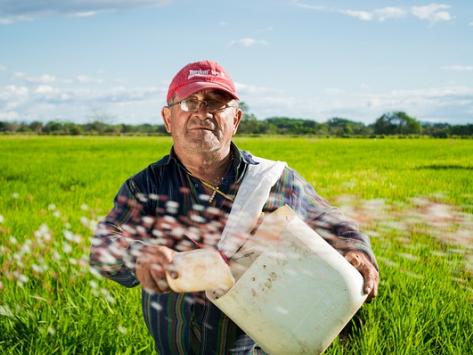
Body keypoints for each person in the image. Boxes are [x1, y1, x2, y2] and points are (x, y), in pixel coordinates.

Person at [90, 60, 379, 355]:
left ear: (236, 119)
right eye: (190, 102)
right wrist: (139, 256)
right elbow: (103, 245)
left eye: (216, 103)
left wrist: (357, 251)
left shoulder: (271, 180)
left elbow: (329, 220)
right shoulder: (147, 186)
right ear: (168, 118)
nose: (203, 112)